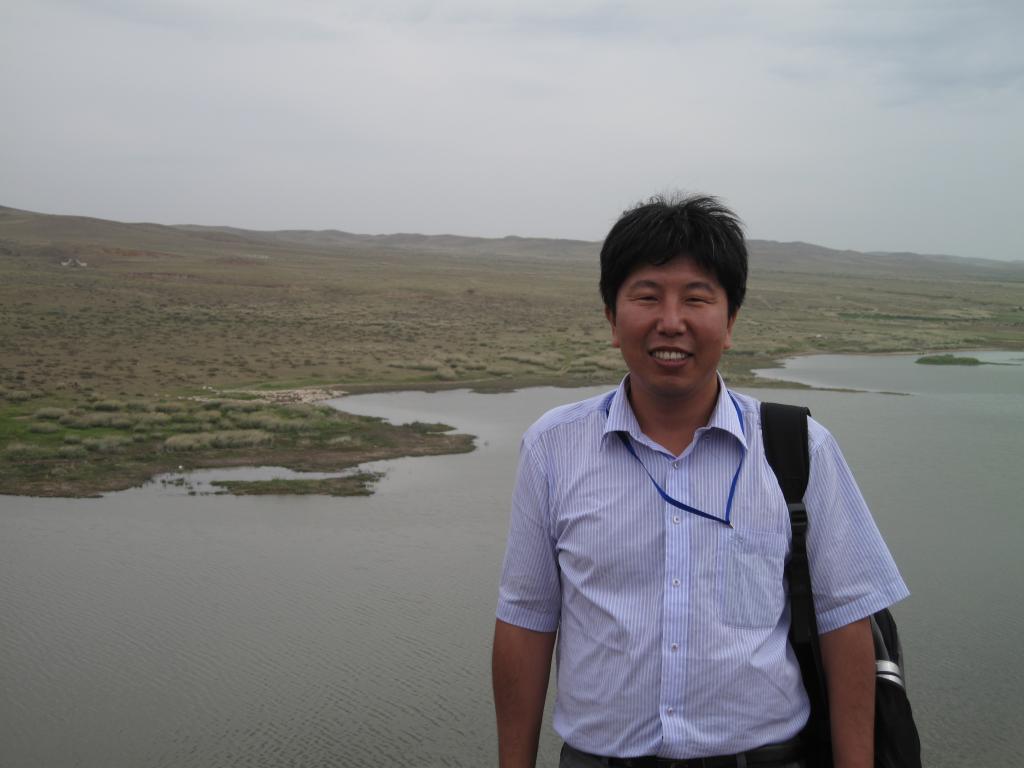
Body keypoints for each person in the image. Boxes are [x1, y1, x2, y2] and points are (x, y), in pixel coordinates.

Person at [492, 195, 909, 768]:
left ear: (730, 321)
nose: (671, 322)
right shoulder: (553, 447)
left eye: (696, 298)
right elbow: (526, 621)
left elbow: (846, 622)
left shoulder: (800, 449)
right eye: (647, 296)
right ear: (612, 319)